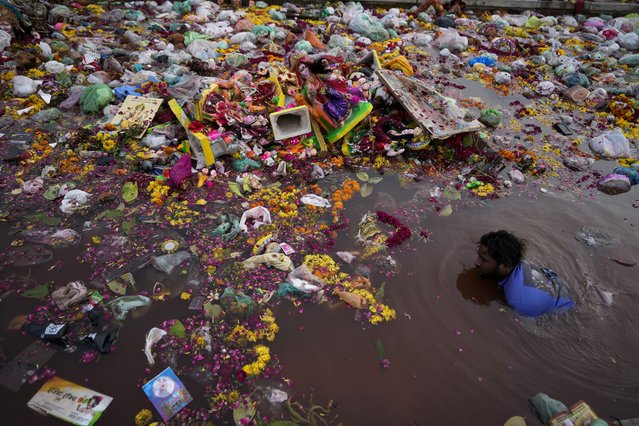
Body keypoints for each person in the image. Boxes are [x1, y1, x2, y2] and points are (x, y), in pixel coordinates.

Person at [475, 230, 575, 317]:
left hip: (563, 310)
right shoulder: (521, 264)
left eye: (483, 260)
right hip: (558, 286)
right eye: (479, 256)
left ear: (506, 266)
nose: (476, 263)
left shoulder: (518, 301)